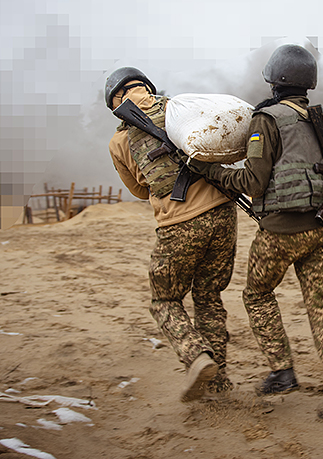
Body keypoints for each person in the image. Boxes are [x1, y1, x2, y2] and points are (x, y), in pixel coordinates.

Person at [186, 44, 323, 422]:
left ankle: (282, 371)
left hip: (281, 232)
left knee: (257, 294)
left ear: (275, 81)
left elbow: (253, 182)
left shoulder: (265, 120)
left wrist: (212, 172)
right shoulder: (320, 118)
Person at [105, 67, 238, 402]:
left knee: (164, 299)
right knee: (209, 297)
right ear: (146, 87)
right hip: (223, 213)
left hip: (179, 222)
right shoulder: (179, 108)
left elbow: (138, 190)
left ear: (116, 101)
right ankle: (218, 382)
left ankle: (196, 356)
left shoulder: (119, 141)